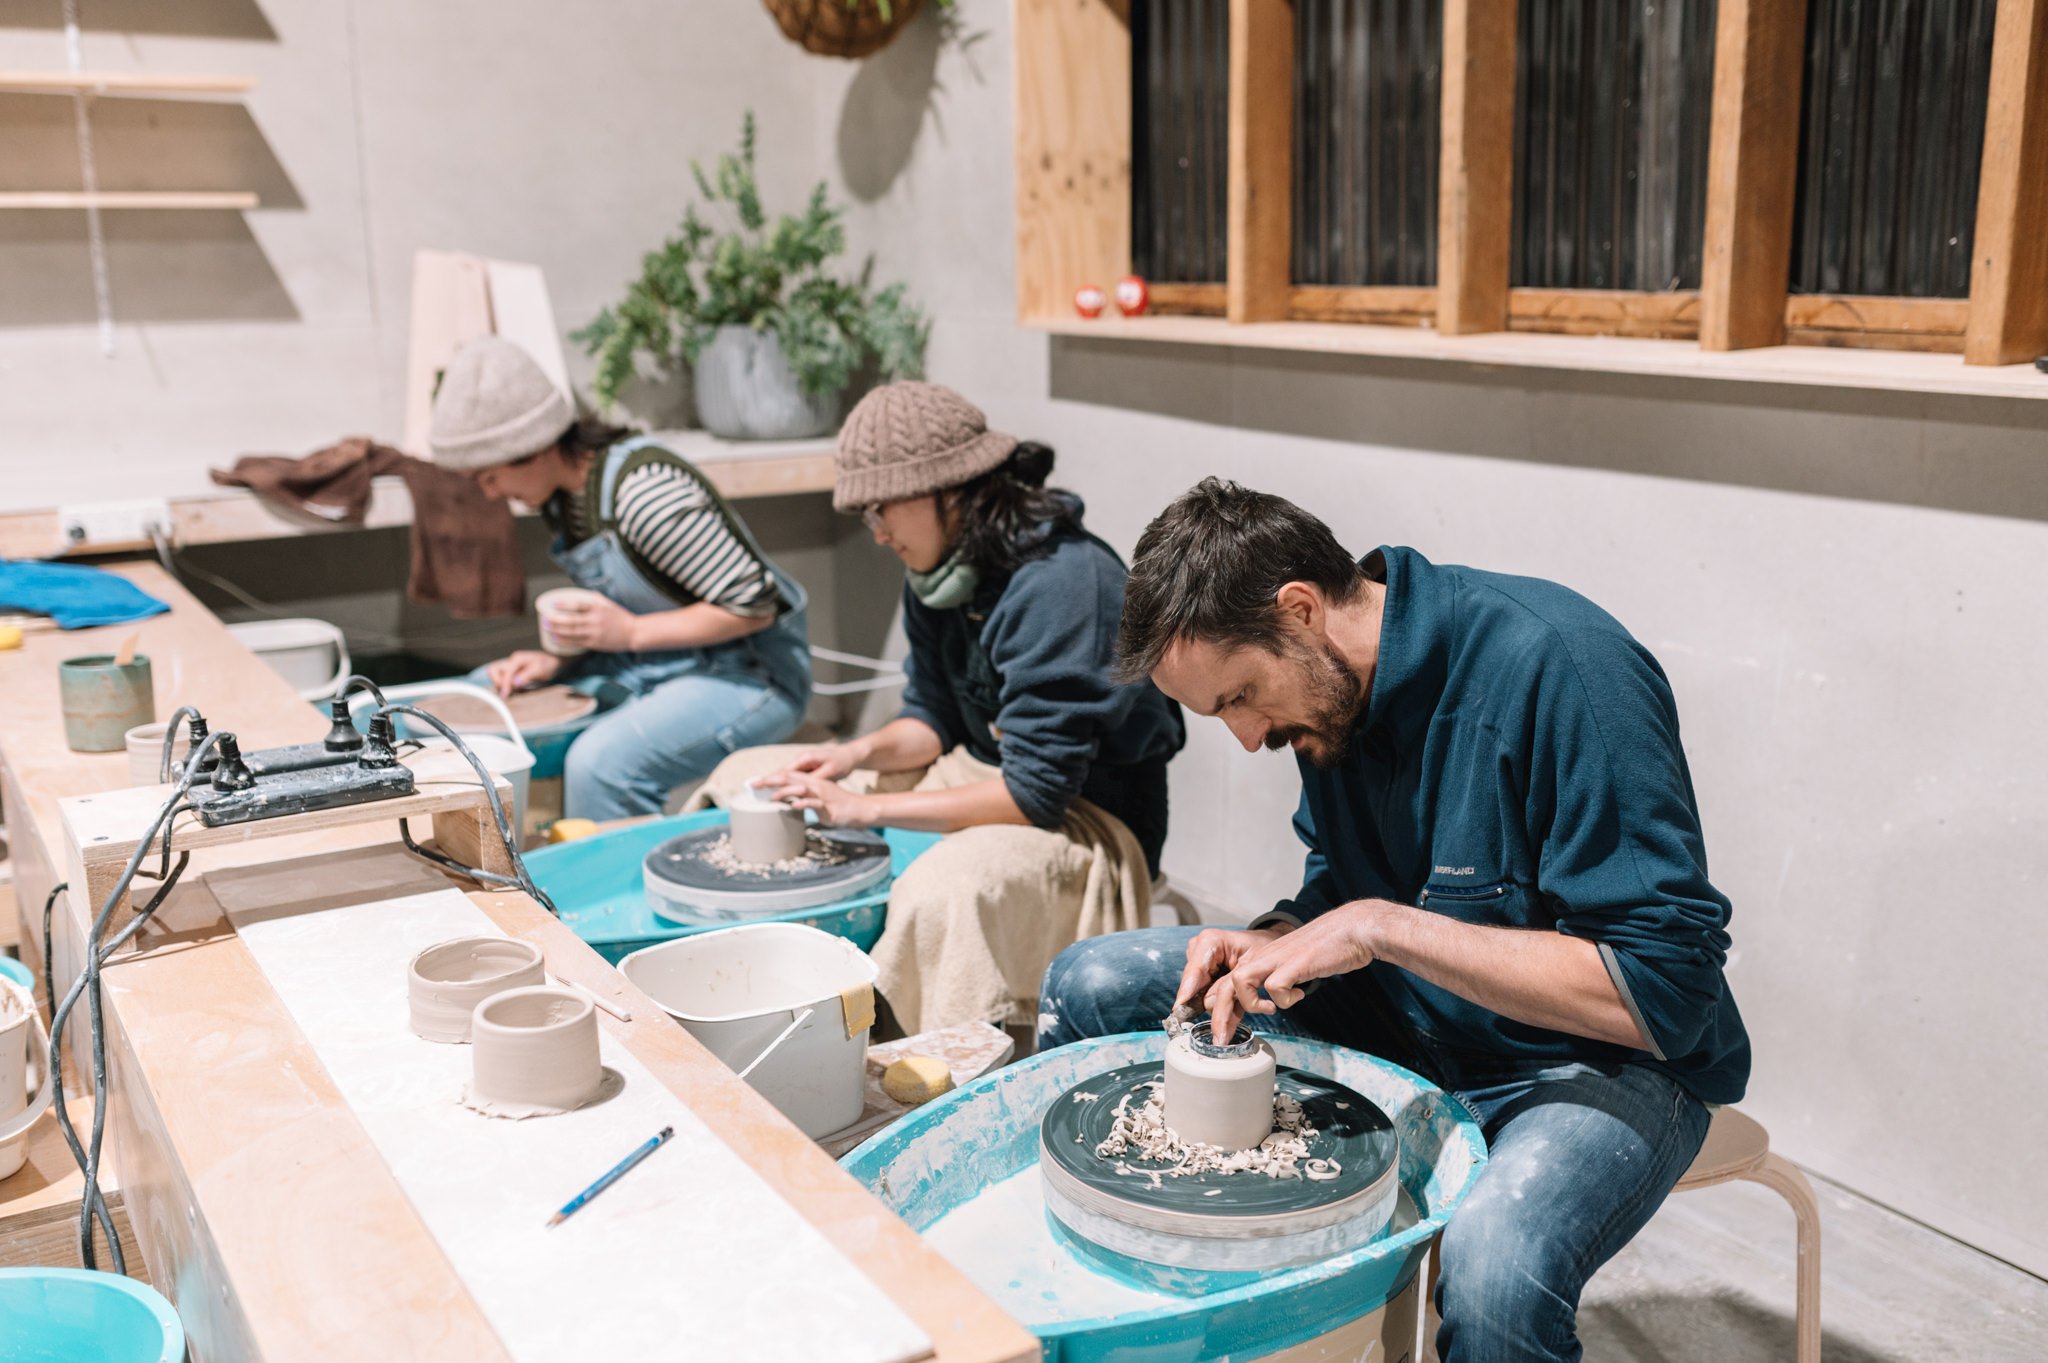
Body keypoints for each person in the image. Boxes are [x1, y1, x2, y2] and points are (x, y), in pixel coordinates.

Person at [1038, 478, 1749, 1363]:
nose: (1248, 736)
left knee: (1495, 1272)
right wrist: (1282, 933)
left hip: (1593, 1060)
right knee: (1092, 983)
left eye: (1239, 696)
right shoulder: (1329, 697)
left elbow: (1666, 992)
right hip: (1410, 1014)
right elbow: (1341, 885)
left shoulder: (1562, 664)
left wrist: (1383, 926)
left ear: (1299, 611)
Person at [701, 381, 1186, 1036]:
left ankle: (926, 1059)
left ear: (950, 487)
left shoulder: (1065, 583)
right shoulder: (938, 573)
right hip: (977, 771)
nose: (876, 534)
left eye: (881, 510)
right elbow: (928, 720)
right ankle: (772, 993)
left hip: (1084, 819)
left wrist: (865, 806)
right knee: (749, 778)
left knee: (942, 891)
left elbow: (1036, 793)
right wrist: (851, 756)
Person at [427, 336, 811, 821]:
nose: (490, 494)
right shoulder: (564, 497)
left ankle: (617, 889)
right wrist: (554, 661)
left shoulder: (646, 493)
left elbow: (754, 606)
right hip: (652, 662)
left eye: (490, 476)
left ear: (534, 449)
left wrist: (630, 634)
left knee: (600, 765)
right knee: (470, 699)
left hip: (751, 678)